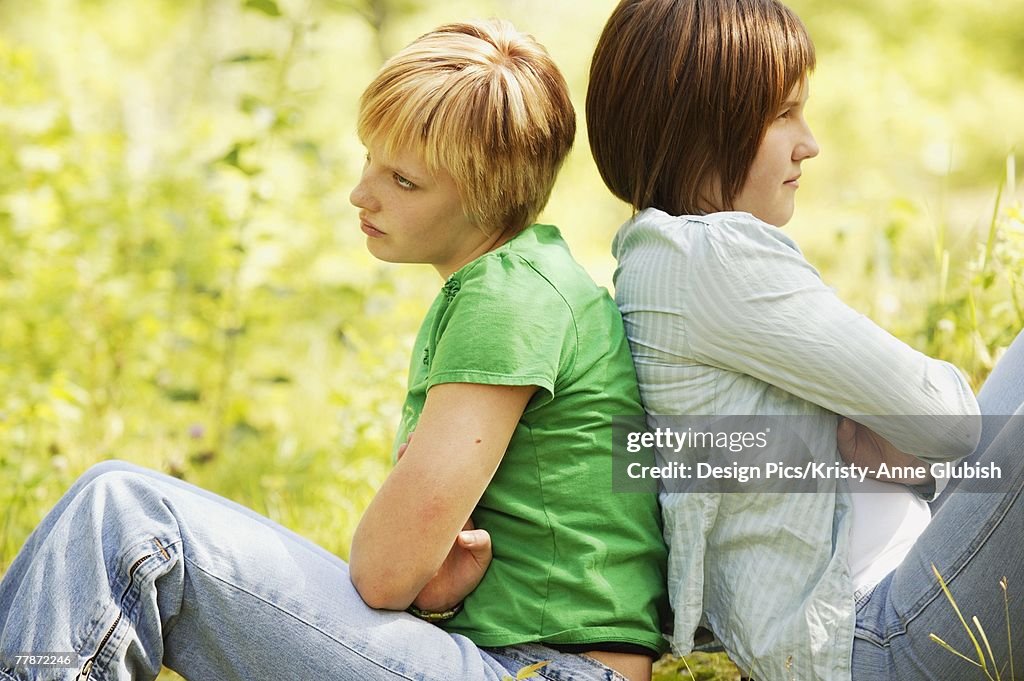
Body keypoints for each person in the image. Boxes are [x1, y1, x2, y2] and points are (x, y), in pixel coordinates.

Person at [0, 19, 669, 681]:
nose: (362, 193)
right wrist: (427, 579)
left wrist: (406, 560)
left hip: (548, 671)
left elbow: (381, 573)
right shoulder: (524, 282)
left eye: (403, 181)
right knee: (113, 503)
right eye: (368, 158)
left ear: (489, 199)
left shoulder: (509, 299)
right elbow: (417, 576)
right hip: (516, 657)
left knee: (128, 517)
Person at [585, 1, 1023, 679]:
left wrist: (897, 455)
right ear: (705, 127)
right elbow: (952, 420)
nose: (809, 143)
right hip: (875, 643)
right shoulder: (715, 259)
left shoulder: (654, 255)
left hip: (899, 576)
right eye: (783, 114)